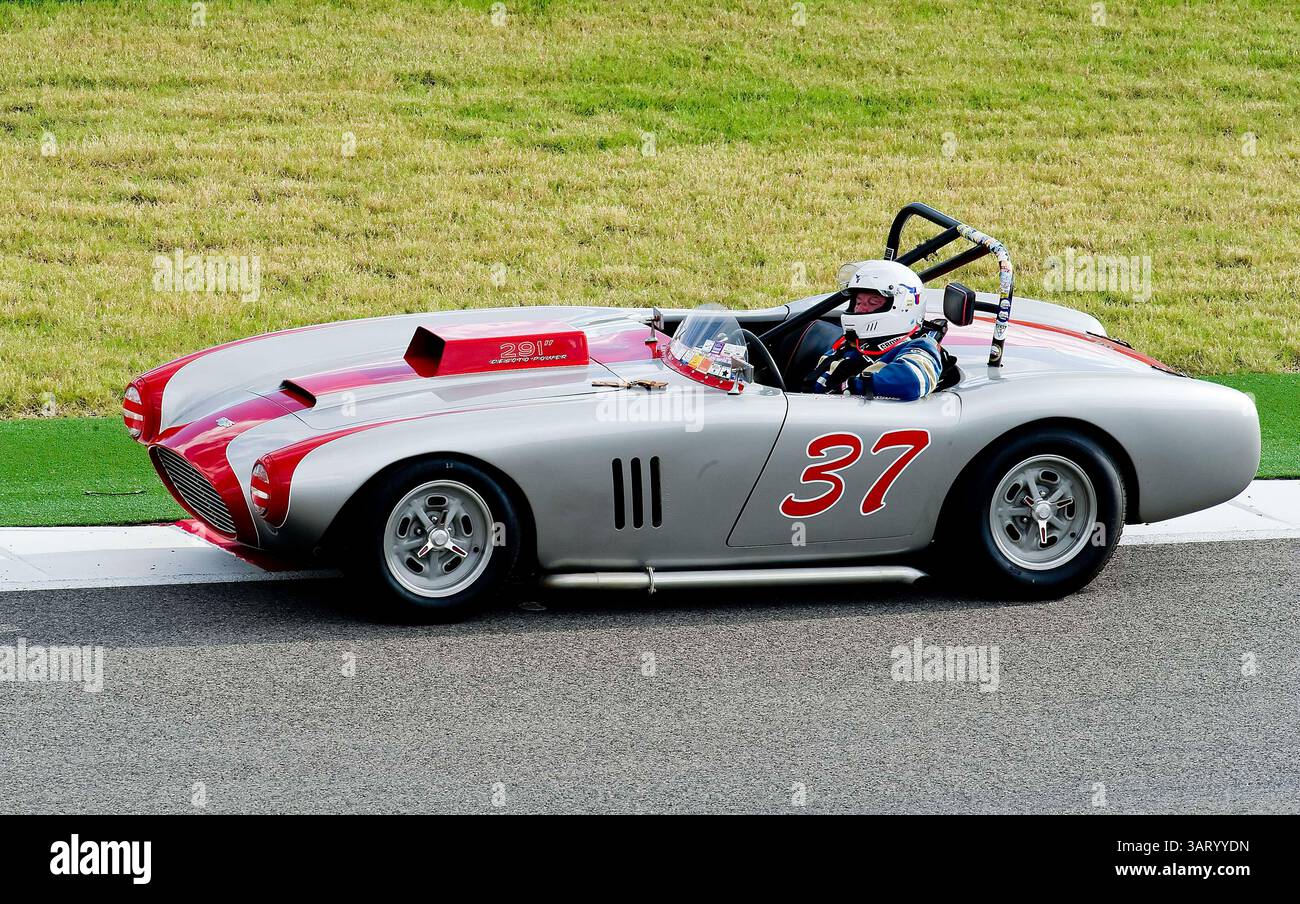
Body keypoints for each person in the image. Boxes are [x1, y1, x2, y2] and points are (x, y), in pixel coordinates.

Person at [803, 260, 946, 400]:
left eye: (872, 302)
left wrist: (850, 387)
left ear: (903, 307)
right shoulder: (850, 343)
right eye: (858, 302)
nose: (860, 309)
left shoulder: (921, 346)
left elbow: (913, 381)